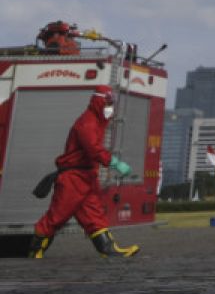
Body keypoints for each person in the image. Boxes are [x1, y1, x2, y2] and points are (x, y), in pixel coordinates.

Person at [29, 86, 139, 258]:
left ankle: (108, 249)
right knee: (56, 216)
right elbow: (93, 149)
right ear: (99, 101)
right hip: (74, 178)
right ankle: (35, 251)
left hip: (85, 177)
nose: (111, 107)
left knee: (94, 215)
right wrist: (114, 163)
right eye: (108, 102)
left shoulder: (94, 121)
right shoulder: (87, 123)